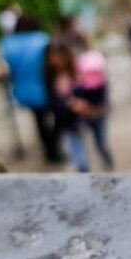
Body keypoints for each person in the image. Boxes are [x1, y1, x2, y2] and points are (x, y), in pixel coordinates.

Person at [0, 15, 62, 163]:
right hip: (46, 87)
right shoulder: (42, 39)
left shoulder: (7, 43)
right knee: (57, 117)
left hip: (23, 91)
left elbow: (7, 70)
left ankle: (49, 151)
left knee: (39, 121)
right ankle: (53, 151)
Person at [46, 42, 88, 172]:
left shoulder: (73, 74)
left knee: (78, 150)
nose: (54, 59)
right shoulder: (51, 77)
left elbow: (81, 93)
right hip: (63, 119)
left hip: (74, 119)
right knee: (71, 149)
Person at [74, 51, 114, 170]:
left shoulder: (101, 86)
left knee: (100, 143)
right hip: (87, 117)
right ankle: (85, 166)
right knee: (86, 143)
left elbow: (104, 106)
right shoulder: (80, 87)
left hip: (97, 117)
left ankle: (107, 159)